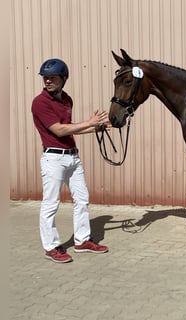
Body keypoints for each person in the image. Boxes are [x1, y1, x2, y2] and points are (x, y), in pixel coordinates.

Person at [32, 58, 109, 263]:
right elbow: (58, 130)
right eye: (45, 78)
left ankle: (82, 240)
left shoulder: (67, 99)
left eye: (52, 78)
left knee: (82, 199)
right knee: (51, 204)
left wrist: (98, 127)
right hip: (53, 158)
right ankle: (51, 246)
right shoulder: (40, 102)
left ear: (64, 78)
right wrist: (90, 121)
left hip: (72, 156)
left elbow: (70, 128)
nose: (48, 81)